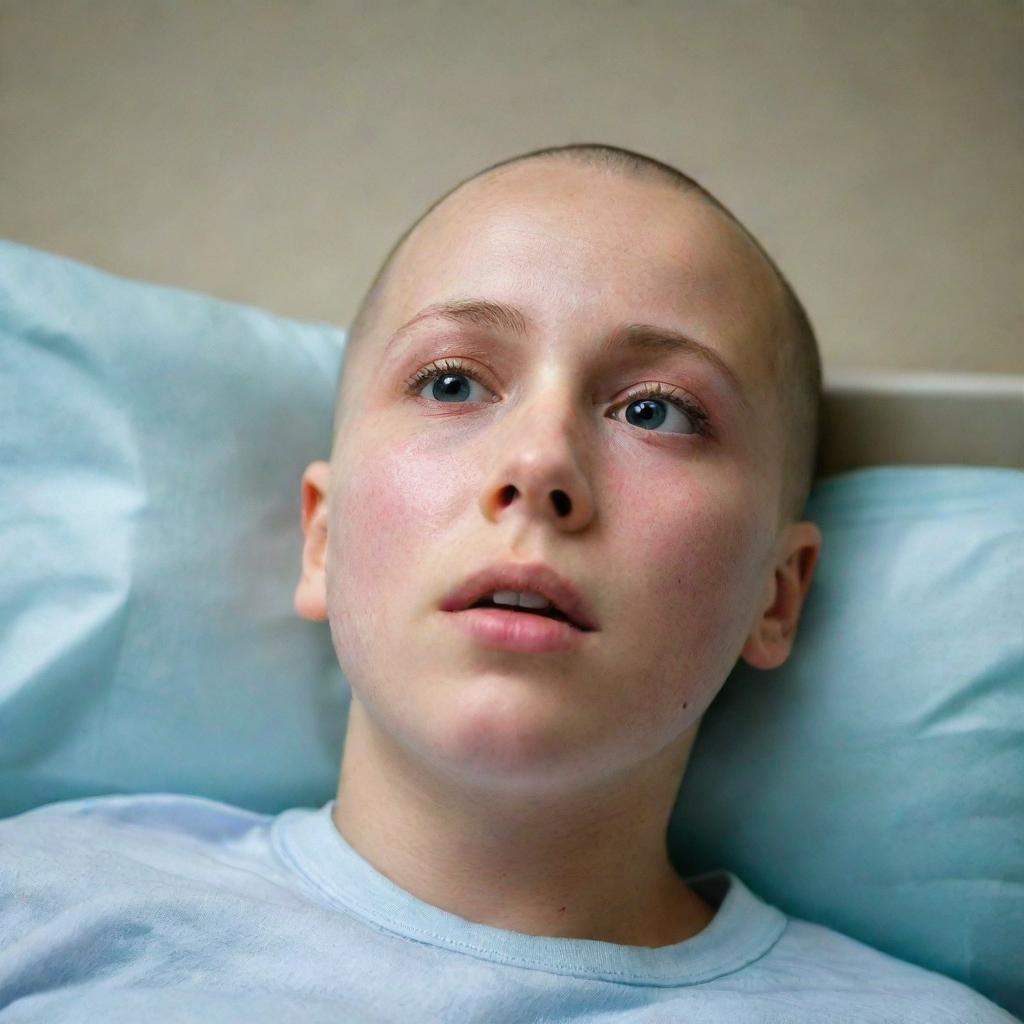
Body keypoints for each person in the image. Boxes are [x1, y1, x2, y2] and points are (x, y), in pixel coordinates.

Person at [0, 144, 1015, 1023]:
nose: (538, 466)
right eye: (451, 382)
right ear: (322, 539)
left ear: (776, 595)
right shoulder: (40, 901)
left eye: (656, 411)